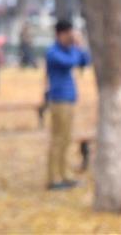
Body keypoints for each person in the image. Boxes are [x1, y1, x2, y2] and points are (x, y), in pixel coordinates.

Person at [45, 19, 90, 190]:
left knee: (66, 138)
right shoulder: (53, 52)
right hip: (59, 99)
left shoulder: (70, 50)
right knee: (58, 139)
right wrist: (76, 48)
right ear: (60, 34)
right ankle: (53, 178)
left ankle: (64, 174)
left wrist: (80, 45)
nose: (70, 37)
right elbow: (70, 63)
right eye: (68, 34)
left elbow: (85, 61)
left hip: (70, 98)